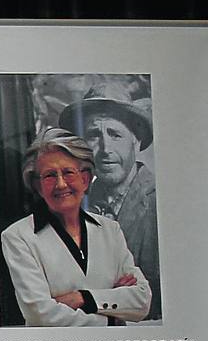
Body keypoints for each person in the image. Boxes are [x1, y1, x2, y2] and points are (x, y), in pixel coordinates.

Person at [0, 128, 152, 327]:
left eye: (68, 172)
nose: (61, 184)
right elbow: (40, 315)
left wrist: (82, 298)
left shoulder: (110, 230)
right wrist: (114, 316)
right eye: (49, 176)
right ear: (37, 186)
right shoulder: (18, 236)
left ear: (85, 179)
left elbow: (141, 300)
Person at [58, 91, 160, 320]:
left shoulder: (161, 205)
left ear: (137, 140)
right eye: (94, 135)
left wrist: (91, 295)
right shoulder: (75, 207)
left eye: (115, 135)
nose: (105, 149)